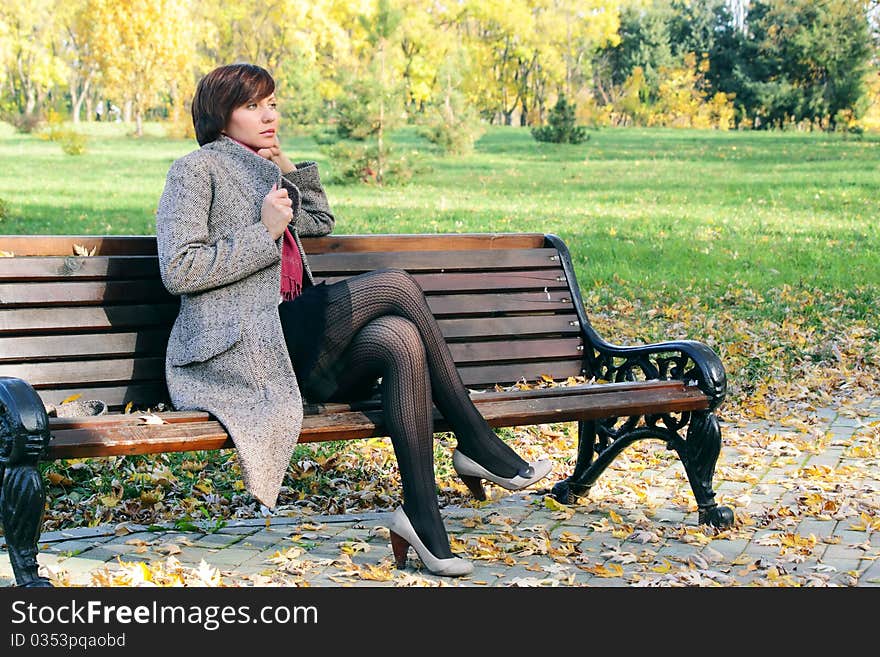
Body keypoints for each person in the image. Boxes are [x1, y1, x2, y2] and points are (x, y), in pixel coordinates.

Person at [155, 63, 551, 577]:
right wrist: (264, 233)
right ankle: (474, 440)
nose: (268, 115)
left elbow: (318, 222)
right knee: (396, 284)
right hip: (245, 347)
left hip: (290, 346)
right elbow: (178, 268)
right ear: (219, 115)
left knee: (400, 338)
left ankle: (423, 520)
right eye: (252, 106)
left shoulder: (265, 168)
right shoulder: (195, 170)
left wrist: (290, 170)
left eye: (271, 103)